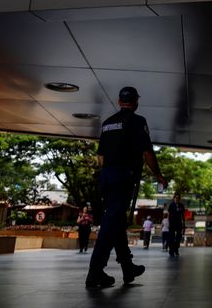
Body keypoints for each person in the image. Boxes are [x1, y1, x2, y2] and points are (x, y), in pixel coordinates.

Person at [86, 86, 167, 289]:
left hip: (107, 178)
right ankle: (94, 272)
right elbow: (147, 152)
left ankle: (128, 267)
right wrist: (158, 175)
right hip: (123, 178)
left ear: (119, 101)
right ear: (136, 101)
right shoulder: (137, 121)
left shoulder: (107, 124)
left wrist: (108, 174)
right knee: (110, 225)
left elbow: (101, 156)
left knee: (116, 222)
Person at [167, 193, 186, 257]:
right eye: (176, 198)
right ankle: (171, 251)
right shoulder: (171, 205)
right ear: (174, 198)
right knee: (171, 238)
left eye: (178, 198)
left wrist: (184, 223)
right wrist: (169, 223)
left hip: (179, 223)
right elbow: (168, 215)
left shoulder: (181, 205)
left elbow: (183, 215)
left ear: (179, 199)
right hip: (172, 223)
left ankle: (176, 248)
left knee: (178, 237)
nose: (177, 199)